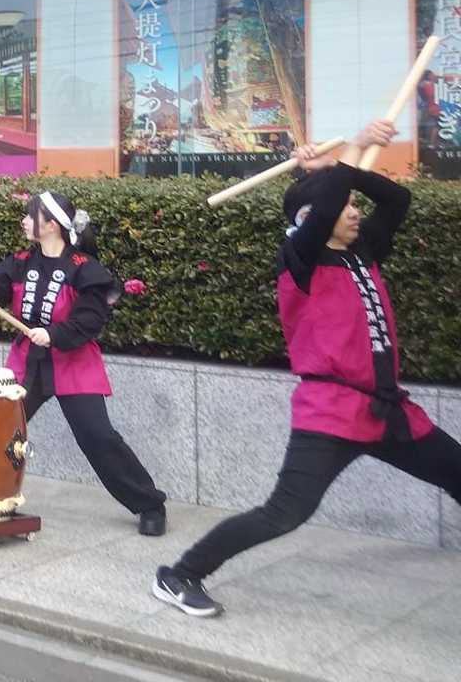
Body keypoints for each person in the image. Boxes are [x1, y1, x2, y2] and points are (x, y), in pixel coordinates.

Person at [154, 121, 461, 618]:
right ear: (310, 217)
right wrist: (349, 152)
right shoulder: (299, 259)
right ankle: (179, 574)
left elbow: (398, 200)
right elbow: (327, 202)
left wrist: (344, 166)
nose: (355, 211)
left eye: (355, 204)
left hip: (388, 410)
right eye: (345, 206)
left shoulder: (363, 251)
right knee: (284, 514)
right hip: (331, 413)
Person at [0, 191, 167, 536]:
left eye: (30, 216)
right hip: (28, 361)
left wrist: (54, 334)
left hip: (72, 361)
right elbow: (0, 292)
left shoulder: (84, 268)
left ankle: (149, 504)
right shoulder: (21, 261)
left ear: (51, 225)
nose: (24, 221)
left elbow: (91, 318)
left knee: (97, 436)